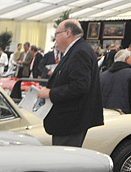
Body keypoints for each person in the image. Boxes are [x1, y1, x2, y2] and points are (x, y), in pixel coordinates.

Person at [37, 19, 104, 148]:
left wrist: (50, 93)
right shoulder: (77, 50)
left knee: (63, 162)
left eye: (56, 33)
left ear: (68, 33)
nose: (54, 38)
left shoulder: (79, 52)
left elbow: (80, 86)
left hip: (71, 121)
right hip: (70, 120)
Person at [100, 49, 131, 113]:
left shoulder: (102, 76)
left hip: (105, 116)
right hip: (126, 117)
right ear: (127, 59)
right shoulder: (129, 74)